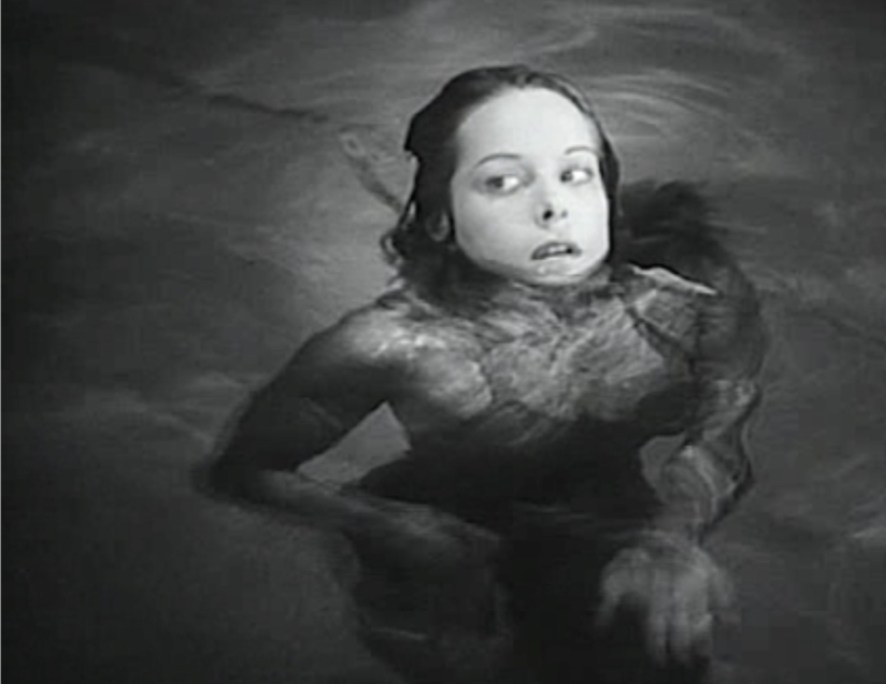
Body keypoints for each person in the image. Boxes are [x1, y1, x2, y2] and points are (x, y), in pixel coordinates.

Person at [206, 65, 765, 684]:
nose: (553, 207)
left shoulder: (690, 296)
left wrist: (675, 534)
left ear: (606, 194)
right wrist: (382, 524)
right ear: (440, 218)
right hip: (435, 535)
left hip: (600, 508)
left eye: (576, 174)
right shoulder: (396, 346)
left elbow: (726, 415)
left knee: (665, 657)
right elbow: (243, 470)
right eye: (502, 182)